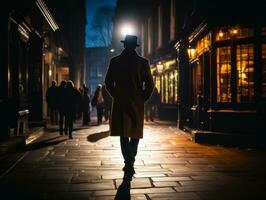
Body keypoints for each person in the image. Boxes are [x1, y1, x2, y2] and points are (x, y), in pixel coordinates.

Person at [105, 35, 154, 176]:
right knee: (135, 132)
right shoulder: (142, 62)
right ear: (135, 46)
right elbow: (150, 85)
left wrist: (116, 94)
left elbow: (108, 82)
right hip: (136, 102)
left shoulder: (115, 61)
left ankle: (128, 161)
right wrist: (142, 97)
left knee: (123, 132)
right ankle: (130, 160)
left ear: (124, 45)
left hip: (121, 101)